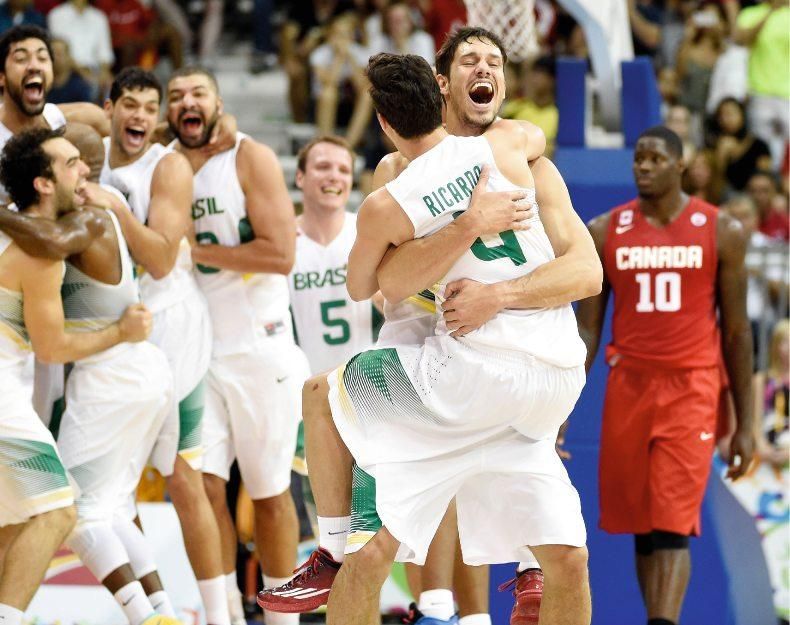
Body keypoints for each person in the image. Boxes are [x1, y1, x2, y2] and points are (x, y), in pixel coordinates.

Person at [322, 51, 596, 625]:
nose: (485, 69)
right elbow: (394, 290)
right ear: (441, 89)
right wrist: (469, 222)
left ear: (385, 120)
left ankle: (327, 549)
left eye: (493, 60)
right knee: (565, 558)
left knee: (325, 396)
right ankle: (501, 580)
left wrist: (495, 292)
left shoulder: (401, 190)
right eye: (471, 60)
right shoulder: (508, 146)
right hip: (528, 372)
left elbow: (371, 284)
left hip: (471, 373)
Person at [576, 125, 754, 625]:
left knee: (674, 519)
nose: (644, 166)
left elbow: (739, 332)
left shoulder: (721, 230)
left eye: (656, 158)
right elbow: (587, 331)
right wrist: (562, 405)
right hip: (629, 383)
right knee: (644, 523)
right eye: (639, 158)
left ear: (681, 166)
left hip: (692, 386)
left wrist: (745, 422)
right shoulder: (605, 230)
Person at [0, 126, 178, 625]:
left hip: (118, 376)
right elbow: (52, 346)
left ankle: (152, 616)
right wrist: (122, 331)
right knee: (63, 513)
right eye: (72, 163)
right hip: (122, 371)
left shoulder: (77, 221)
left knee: (69, 512)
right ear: (41, 182)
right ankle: (158, 615)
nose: (85, 171)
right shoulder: (37, 245)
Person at [84, 67, 230, 625]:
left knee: (181, 476)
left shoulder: (165, 166)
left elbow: (163, 258)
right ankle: (152, 611)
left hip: (174, 329)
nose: (140, 115)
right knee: (113, 483)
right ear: (111, 108)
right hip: (116, 333)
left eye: (151, 106)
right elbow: (51, 116)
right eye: (130, 104)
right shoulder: (85, 152)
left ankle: (219, 616)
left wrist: (118, 209)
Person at [166, 66, 310, 625]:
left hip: (260, 348)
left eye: (197, 93)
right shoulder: (168, 162)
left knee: (270, 494)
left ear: (218, 102)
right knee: (203, 488)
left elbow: (280, 254)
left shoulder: (248, 157)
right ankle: (222, 612)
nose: (187, 102)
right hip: (200, 354)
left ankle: (280, 618)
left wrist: (197, 254)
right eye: (176, 97)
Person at [734, 0, 789, 169]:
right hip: (760, 91)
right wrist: (769, 12)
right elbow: (740, 39)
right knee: (762, 149)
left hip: (788, 93)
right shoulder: (751, 13)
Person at [47, 0, 115, 99]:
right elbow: (59, 50)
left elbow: (105, 54)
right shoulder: (57, 15)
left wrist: (104, 73)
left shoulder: (99, 17)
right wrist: (82, 72)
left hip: (94, 71)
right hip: (68, 70)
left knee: (112, 88)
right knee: (85, 86)